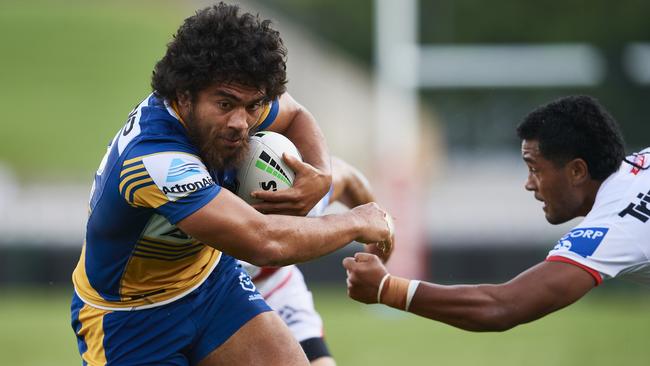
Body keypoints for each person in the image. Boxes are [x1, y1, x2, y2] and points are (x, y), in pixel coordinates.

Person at [70, 3, 393, 366]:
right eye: (225, 103)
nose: (241, 123)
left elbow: (296, 113)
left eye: (252, 106)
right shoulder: (157, 159)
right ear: (182, 95)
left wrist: (320, 173)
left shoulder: (237, 103)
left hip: (211, 286)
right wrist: (354, 222)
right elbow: (263, 240)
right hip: (129, 318)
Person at [344, 95, 649, 332]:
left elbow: (503, 306)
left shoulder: (615, 225)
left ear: (577, 170)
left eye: (534, 169)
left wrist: (387, 289)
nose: (529, 184)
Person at [239, 157, 392, 366]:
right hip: (211, 292)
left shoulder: (297, 199)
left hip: (274, 285)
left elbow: (348, 177)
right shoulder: (206, 205)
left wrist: (382, 237)